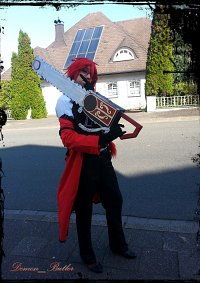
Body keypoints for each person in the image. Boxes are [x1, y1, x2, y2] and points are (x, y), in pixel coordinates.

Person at [55, 57, 137, 273]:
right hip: (83, 163)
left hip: (103, 159)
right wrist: (102, 139)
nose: (89, 76)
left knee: (115, 200)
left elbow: (104, 128)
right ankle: (87, 254)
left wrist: (112, 133)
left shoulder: (95, 99)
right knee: (84, 210)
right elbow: (69, 139)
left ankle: (118, 245)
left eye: (91, 72)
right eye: (84, 72)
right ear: (73, 74)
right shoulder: (64, 101)